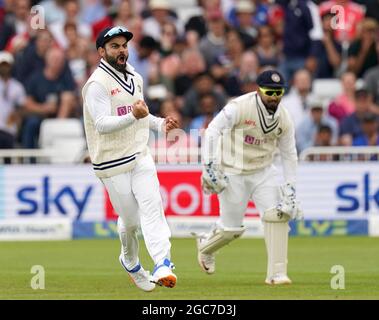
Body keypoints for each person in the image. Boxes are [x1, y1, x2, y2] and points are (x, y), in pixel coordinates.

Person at [82, 26, 179, 292]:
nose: (122, 50)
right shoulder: (96, 85)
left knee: (153, 207)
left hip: (139, 155)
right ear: (102, 52)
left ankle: (162, 263)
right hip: (111, 163)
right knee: (132, 222)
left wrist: (159, 124)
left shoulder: (135, 76)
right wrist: (133, 117)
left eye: (124, 45)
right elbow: (101, 124)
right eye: (115, 46)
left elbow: (140, 112)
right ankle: (130, 261)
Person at [194, 69, 303, 285]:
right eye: (269, 92)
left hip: (263, 171)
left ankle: (277, 274)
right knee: (231, 230)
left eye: (278, 92)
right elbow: (213, 131)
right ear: (258, 90)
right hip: (233, 171)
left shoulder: (284, 118)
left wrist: (290, 187)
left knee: (277, 216)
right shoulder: (239, 107)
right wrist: (209, 165)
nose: (274, 97)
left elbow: (289, 154)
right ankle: (206, 246)